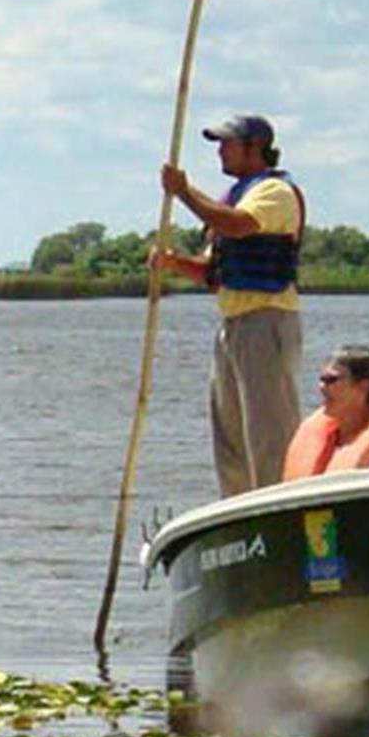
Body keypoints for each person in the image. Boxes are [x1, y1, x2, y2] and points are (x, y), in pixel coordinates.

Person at [150, 113, 304, 496]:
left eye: (227, 143)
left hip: (266, 321)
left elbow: (238, 225)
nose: (220, 151)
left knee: (269, 431)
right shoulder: (236, 195)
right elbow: (212, 272)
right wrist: (172, 262)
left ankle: (277, 506)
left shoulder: (274, 192)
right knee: (230, 434)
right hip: (233, 324)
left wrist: (184, 192)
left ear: (254, 148)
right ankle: (238, 510)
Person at [283, 344, 369, 477]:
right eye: (322, 379)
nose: (322, 387)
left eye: (331, 380)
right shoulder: (321, 440)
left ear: (363, 387)